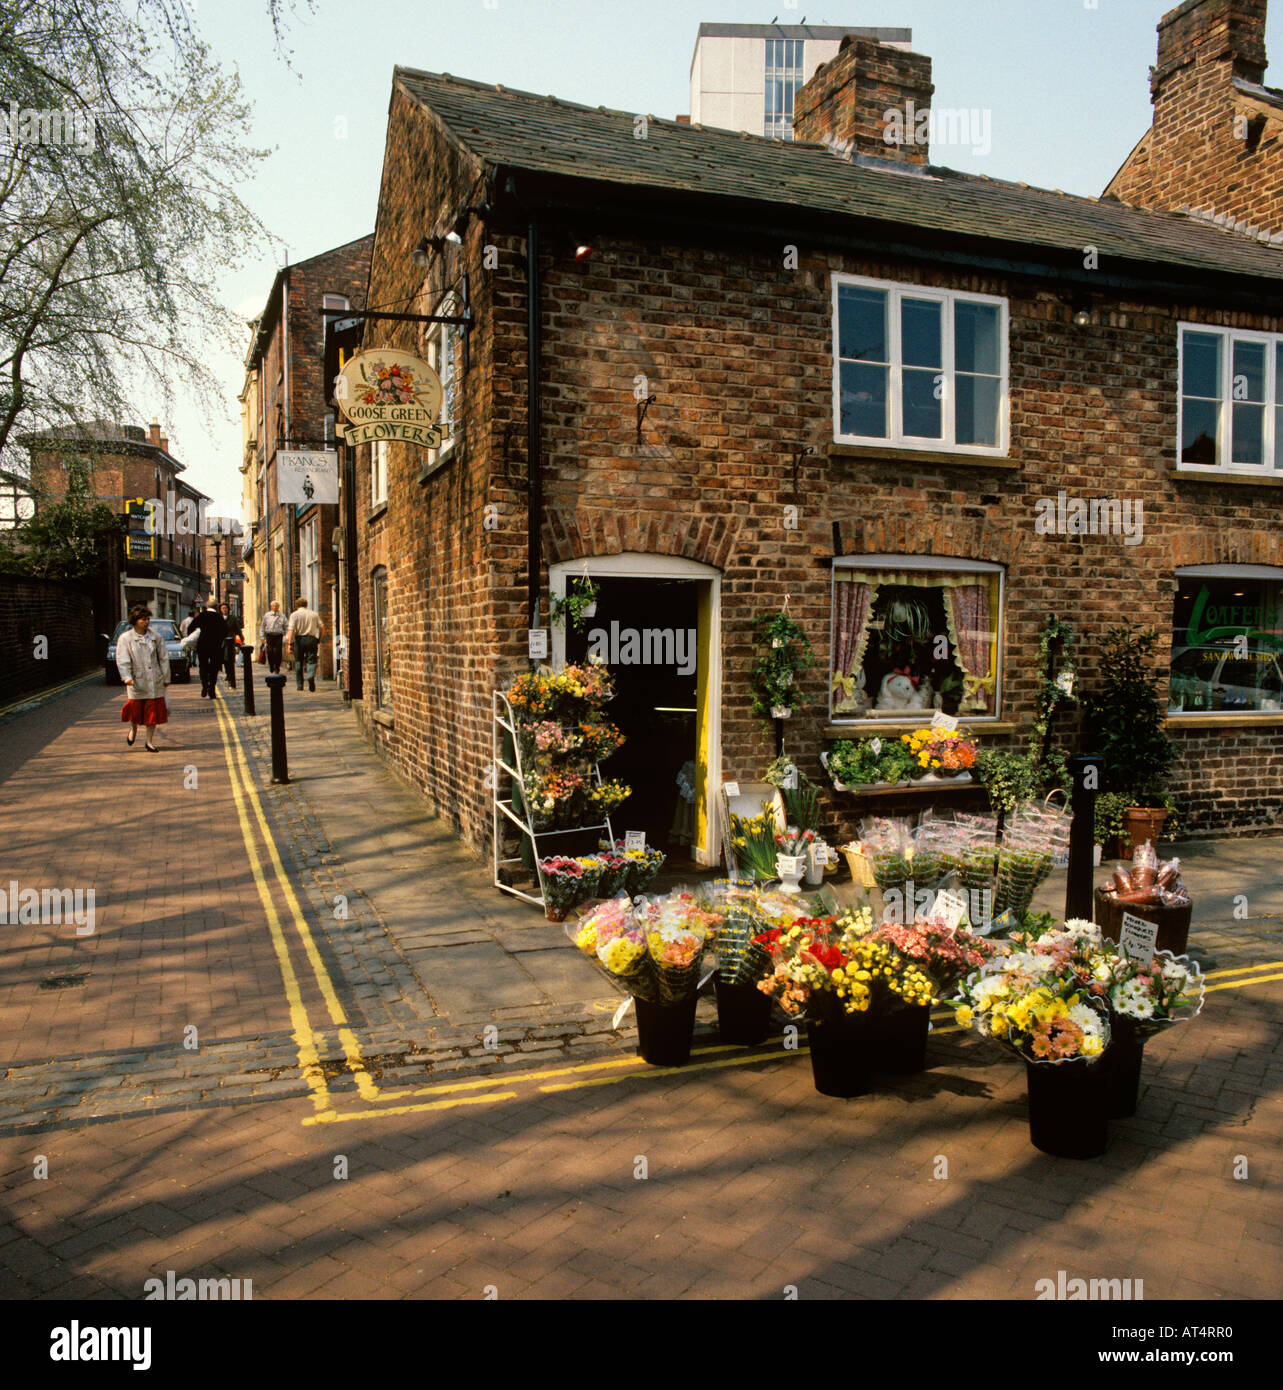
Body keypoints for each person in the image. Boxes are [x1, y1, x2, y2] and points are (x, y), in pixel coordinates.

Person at [115, 604, 169, 752]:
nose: (146, 622)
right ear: (135, 621)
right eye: (142, 619)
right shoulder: (125, 638)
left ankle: (149, 742)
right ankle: (133, 730)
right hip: (136, 680)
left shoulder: (155, 637)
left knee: (153, 713)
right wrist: (126, 677)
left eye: (147, 619)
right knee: (135, 711)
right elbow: (122, 659)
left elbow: (163, 658)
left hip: (154, 679)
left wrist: (166, 677)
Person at [186, 598, 227, 698]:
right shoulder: (219, 616)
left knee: (203, 666)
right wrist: (221, 641)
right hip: (216, 645)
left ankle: (204, 685)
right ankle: (212, 689)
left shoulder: (201, 615)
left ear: (207, 606)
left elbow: (190, 627)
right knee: (214, 668)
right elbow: (224, 631)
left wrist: (194, 638)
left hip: (203, 644)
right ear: (217, 607)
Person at [286, 596, 324, 692]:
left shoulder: (294, 615)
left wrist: (289, 644)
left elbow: (291, 630)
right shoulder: (314, 614)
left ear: (297, 605)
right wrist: (319, 638)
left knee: (298, 661)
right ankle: (310, 675)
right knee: (311, 660)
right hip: (311, 639)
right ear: (306, 605)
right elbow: (322, 627)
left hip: (299, 640)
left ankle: (300, 685)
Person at [260, 599, 288, 674]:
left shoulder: (282, 616)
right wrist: (262, 637)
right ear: (271, 607)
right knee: (270, 651)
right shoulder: (267, 615)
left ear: (278, 607)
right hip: (269, 635)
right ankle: (271, 665)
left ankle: (277, 667)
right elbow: (262, 626)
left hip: (278, 636)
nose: (275, 607)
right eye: (273, 606)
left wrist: (286, 636)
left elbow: (286, 626)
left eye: (276, 606)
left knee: (278, 652)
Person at [220, 601, 243, 688]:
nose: (224, 610)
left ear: (228, 609)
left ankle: (230, 675)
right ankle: (228, 673)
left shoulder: (232, 618)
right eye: (222, 608)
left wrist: (242, 639)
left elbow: (238, 629)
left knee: (229, 658)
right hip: (221, 642)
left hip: (230, 641)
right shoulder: (219, 618)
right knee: (224, 659)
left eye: (225, 608)